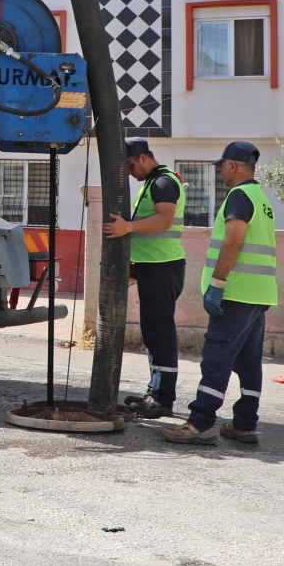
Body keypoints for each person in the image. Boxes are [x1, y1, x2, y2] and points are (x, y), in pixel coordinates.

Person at [163, 141, 279, 447]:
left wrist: (217, 283)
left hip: (236, 293)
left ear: (232, 165)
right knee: (249, 361)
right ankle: (245, 425)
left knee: (217, 358)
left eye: (222, 167)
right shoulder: (261, 198)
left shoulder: (239, 196)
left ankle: (200, 423)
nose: (220, 173)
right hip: (258, 294)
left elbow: (233, 242)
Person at [102, 138, 184, 418]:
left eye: (130, 165)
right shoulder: (152, 183)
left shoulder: (163, 182)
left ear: (144, 158)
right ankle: (155, 391)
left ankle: (162, 398)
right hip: (154, 266)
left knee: (159, 332)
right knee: (153, 331)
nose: (129, 172)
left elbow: (164, 220)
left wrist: (127, 228)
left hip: (162, 266)